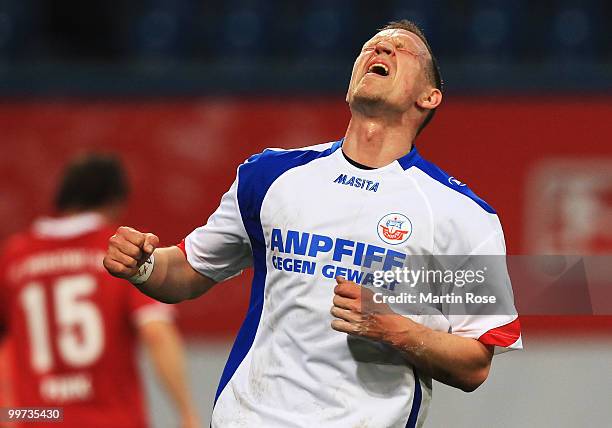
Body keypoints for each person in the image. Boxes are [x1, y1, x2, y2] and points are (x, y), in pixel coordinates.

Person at [103, 20, 522, 428]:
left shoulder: (463, 214)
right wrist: (145, 265)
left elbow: (475, 366)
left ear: (429, 97)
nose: (380, 49)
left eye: (401, 48)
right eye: (371, 46)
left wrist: (394, 329)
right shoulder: (269, 176)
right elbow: (190, 271)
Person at [0, 154, 200, 428]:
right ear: (116, 200)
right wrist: (187, 411)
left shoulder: (15, 257)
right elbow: (157, 333)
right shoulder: (123, 253)